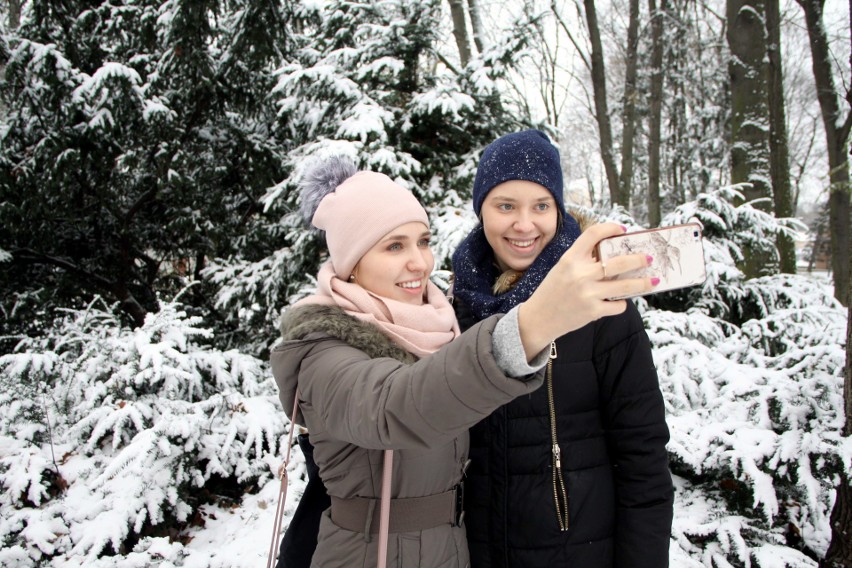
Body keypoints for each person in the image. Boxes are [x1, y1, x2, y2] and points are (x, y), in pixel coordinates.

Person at [270, 155, 656, 568]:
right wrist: (533, 324)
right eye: (394, 245)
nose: (419, 262)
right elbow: (397, 405)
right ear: (351, 264)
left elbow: (641, 454)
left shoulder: (436, 325)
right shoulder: (322, 349)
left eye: (423, 241)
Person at [450, 129, 674, 567]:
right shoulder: (456, 306)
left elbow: (642, 457)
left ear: (558, 210)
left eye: (541, 206)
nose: (524, 224)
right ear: (482, 212)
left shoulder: (603, 308)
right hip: (476, 553)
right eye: (505, 206)